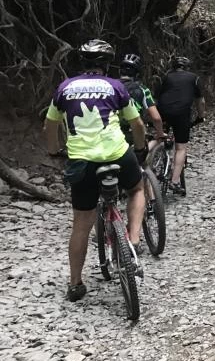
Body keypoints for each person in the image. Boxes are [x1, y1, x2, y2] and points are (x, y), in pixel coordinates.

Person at [43, 39, 148, 302]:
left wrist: (55, 151)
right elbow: (136, 123)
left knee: (81, 224)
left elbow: (50, 125)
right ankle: (133, 240)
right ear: (106, 64)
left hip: (82, 161)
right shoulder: (116, 87)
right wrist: (139, 149)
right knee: (137, 188)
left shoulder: (65, 88)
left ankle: (76, 283)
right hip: (116, 153)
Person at [155, 55, 205, 196]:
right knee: (181, 147)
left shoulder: (166, 77)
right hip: (182, 114)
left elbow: (156, 98)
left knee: (159, 137)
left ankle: (147, 162)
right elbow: (200, 101)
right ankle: (175, 181)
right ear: (187, 67)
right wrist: (201, 116)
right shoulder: (193, 78)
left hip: (162, 111)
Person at [119, 54, 165, 145]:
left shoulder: (109, 86)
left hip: (110, 133)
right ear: (137, 74)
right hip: (133, 134)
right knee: (155, 142)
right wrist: (160, 133)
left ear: (120, 71)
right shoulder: (142, 90)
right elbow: (156, 118)